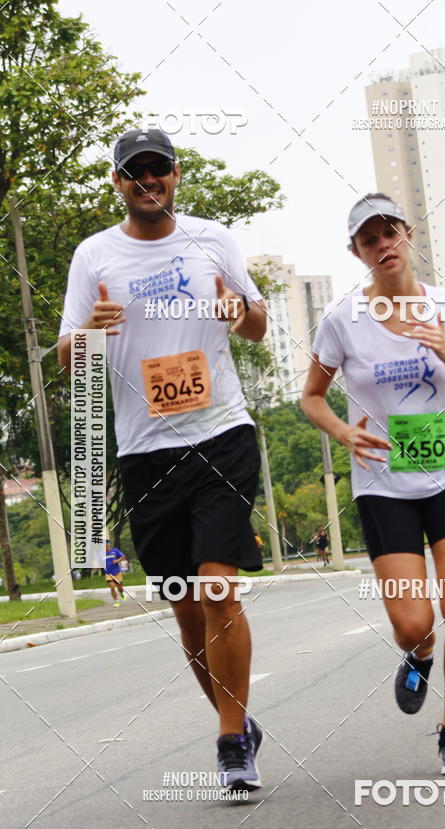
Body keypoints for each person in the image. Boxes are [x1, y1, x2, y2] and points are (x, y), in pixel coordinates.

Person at [58, 128, 267, 792]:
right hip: (146, 451)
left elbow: (258, 321)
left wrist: (238, 309)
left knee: (216, 587)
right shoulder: (94, 256)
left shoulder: (212, 239)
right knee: (182, 603)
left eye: (158, 170)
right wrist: (91, 328)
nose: (148, 181)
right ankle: (236, 720)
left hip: (220, 433)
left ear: (176, 175)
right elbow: (69, 360)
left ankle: (231, 741)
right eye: (134, 172)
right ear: (118, 182)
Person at [301, 193, 445, 775]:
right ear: (356, 251)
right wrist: (343, 433)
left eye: (391, 233)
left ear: (409, 235)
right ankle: (419, 652)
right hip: (381, 483)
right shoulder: (342, 319)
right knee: (413, 622)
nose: (383, 245)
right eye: (369, 239)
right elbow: (310, 396)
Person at [104, 539, 126, 606]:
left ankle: (121, 593)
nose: (105, 547)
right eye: (104, 546)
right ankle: (116, 601)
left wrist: (117, 560)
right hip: (108, 573)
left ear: (109, 545)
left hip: (117, 572)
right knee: (112, 586)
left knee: (120, 588)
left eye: (106, 545)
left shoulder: (115, 550)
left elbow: (123, 556)